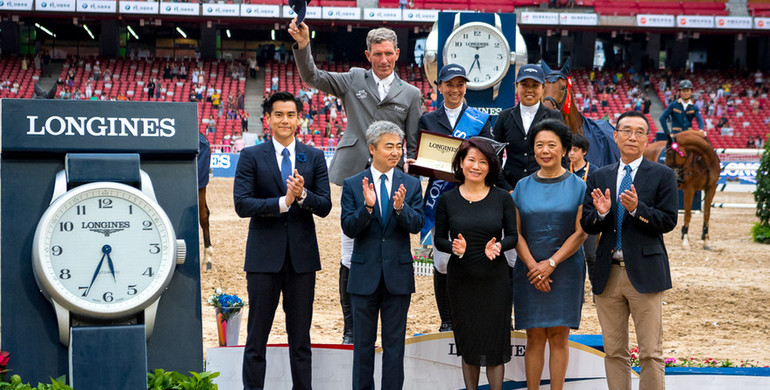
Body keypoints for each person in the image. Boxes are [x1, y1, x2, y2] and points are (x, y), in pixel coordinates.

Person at [289, 21, 422, 345]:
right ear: (368, 54)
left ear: (397, 54)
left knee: (388, 241)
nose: (383, 59)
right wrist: (303, 46)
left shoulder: (411, 93)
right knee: (350, 249)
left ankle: (387, 315)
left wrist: (414, 182)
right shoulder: (352, 79)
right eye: (377, 53)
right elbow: (312, 77)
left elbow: (415, 141)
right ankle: (351, 326)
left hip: (392, 178)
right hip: (352, 175)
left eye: (389, 53)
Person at [234, 91, 332, 390]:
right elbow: (242, 204)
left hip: (302, 261)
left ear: (299, 118)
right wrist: (281, 202)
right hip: (264, 259)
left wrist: (302, 196)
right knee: (256, 338)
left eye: (290, 114)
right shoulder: (251, 156)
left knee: (301, 339)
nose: (285, 120)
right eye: (279, 114)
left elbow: (325, 206)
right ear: (268, 118)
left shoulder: (313, 156)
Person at [581, 111, 678, 390]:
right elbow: (587, 222)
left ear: (647, 140)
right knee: (614, 352)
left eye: (638, 132)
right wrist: (601, 215)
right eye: (626, 130)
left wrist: (638, 210)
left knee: (650, 352)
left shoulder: (662, 175)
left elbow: (668, 221)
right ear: (616, 136)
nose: (631, 136)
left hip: (646, 274)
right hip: (607, 274)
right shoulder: (600, 175)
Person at [340, 120, 425, 390]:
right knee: (362, 348)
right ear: (372, 149)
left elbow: (417, 225)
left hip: (397, 277)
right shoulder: (353, 184)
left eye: (398, 147)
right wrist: (366, 208)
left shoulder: (410, 185)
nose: (395, 152)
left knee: (394, 348)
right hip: (364, 278)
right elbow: (349, 228)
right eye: (389, 146)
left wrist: (401, 209)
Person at [434, 138, 517, 390]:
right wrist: (453, 248)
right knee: (468, 344)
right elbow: (438, 239)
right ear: (461, 163)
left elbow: (513, 235)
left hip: (496, 281)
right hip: (461, 281)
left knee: (494, 344)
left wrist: (500, 246)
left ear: (491, 166)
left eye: (483, 161)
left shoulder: (502, 197)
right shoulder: (448, 199)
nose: (476, 166)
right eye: (471, 160)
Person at [511, 119, 587, 389]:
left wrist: (551, 263)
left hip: (565, 270)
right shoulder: (521, 187)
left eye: (551, 145)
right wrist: (535, 267)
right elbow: (516, 233)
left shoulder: (579, 186)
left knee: (558, 337)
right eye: (539, 145)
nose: (545, 150)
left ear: (565, 149)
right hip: (529, 270)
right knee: (534, 337)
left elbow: (580, 233)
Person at [417, 63, 492, 332]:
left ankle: (472, 312)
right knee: (443, 261)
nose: (455, 89)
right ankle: (447, 318)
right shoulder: (427, 120)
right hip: (440, 198)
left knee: (473, 256)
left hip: (473, 194)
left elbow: (488, 157)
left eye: (460, 84)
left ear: (466, 87)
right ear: (440, 87)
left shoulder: (480, 119)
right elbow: (423, 158)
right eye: (449, 84)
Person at [494, 64, 563, 192]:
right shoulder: (504, 117)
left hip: (545, 188)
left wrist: (555, 186)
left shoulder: (554, 116)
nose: (529, 90)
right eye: (524, 84)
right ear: (516, 86)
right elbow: (494, 158)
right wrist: (507, 189)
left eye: (535, 85)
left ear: (543, 88)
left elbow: (562, 157)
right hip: (510, 189)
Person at [568, 133, 598, 289]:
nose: (571, 154)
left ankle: (596, 289)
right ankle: (575, 289)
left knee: (591, 256)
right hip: (568, 218)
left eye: (575, 150)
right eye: (569, 150)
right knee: (571, 255)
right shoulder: (564, 170)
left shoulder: (594, 171)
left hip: (587, 217)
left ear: (584, 151)